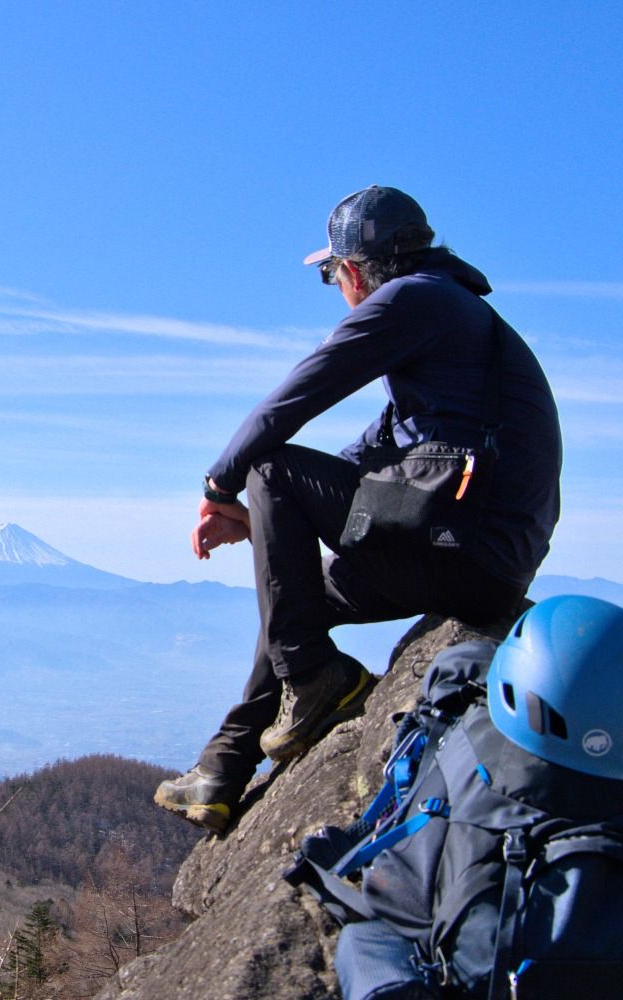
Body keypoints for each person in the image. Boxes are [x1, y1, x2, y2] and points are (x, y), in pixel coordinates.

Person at [154, 185, 562, 834]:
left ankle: (314, 680)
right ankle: (223, 769)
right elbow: (359, 467)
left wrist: (220, 487)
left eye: (328, 275)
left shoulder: (414, 299)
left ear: (350, 270)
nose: (334, 288)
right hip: (481, 557)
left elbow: (299, 395)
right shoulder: (447, 342)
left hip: (464, 542)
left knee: (271, 464)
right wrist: (260, 520)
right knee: (298, 593)